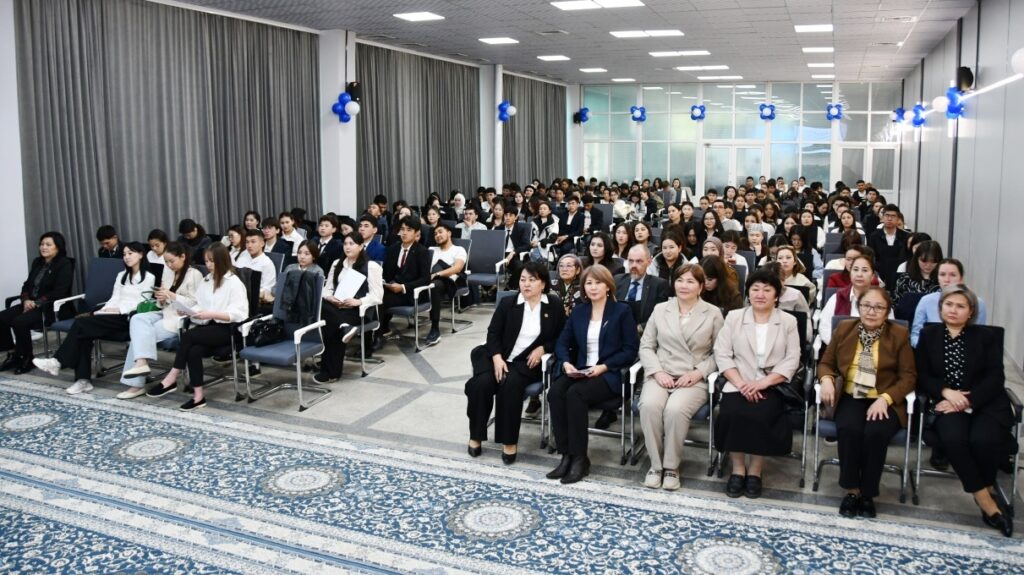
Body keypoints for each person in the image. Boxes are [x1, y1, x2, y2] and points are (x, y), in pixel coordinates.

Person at [916, 285, 1013, 537]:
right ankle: (985, 499)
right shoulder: (929, 334)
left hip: (984, 402)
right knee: (954, 439)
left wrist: (967, 401)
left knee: (983, 440)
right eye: (948, 304)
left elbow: (995, 378)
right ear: (941, 308)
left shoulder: (985, 337)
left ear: (971, 312)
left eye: (960, 306)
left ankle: (988, 487)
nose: (953, 310)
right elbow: (922, 375)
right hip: (947, 402)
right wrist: (947, 392)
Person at [817, 287, 916, 518]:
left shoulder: (899, 334)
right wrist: (827, 379)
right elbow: (826, 363)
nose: (871, 311)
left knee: (875, 433)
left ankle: (868, 493)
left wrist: (886, 399)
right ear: (858, 307)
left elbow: (909, 376)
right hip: (852, 395)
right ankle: (852, 491)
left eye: (878, 307)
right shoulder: (844, 329)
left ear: (887, 312)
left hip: (884, 398)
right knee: (849, 429)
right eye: (866, 306)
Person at [546, 265, 639, 484]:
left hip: (609, 374)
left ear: (608, 286)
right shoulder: (579, 311)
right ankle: (566, 455)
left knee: (575, 394)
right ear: (583, 288)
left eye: (598, 282)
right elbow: (562, 342)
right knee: (555, 393)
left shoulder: (622, 311)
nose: (593, 287)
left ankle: (580, 458)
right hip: (581, 369)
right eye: (589, 283)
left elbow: (630, 350)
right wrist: (566, 362)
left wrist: (604, 366)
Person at [465, 262, 566, 464]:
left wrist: (544, 348)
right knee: (480, 385)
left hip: (525, 362)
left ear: (543, 283)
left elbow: (562, 336)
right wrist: (496, 357)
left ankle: (508, 440)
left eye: (532, 280)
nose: (526, 284)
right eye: (522, 279)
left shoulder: (553, 304)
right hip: (497, 356)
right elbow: (493, 333)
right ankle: (476, 435)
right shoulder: (508, 303)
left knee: (510, 386)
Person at [713, 269, 801, 498]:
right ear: (748, 292)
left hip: (772, 383)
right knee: (732, 413)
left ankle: (755, 471)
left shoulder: (788, 321)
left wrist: (762, 383)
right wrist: (742, 384)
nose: (760, 294)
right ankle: (738, 469)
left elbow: (792, 359)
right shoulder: (734, 317)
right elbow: (722, 353)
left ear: (776, 295)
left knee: (762, 414)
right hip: (738, 380)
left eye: (767, 290)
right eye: (755, 289)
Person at [638, 263, 723, 490]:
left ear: (701, 287)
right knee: (649, 406)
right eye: (679, 280)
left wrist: (699, 372)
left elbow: (720, 352)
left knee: (674, 410)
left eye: (690, 281)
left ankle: (671, 467)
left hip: (692, 377)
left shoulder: (713, 313)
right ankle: (656, 465)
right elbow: (646, 346)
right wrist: (657, 372)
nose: (684, 285)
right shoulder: (660, 309)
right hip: (662, 372)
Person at [33, 242, 156, 394]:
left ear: (141, 255)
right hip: (111, 315)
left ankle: (59, 363)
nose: (126, 257)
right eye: (124, 254)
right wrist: (105, 310)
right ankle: (82, 380)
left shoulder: (149, 277)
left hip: (128, 318)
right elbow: (114, 297)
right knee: (83, 332)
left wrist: (118, 310)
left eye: (130, 253)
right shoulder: (121, 275)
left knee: (81, 324)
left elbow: (142, 302)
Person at [145, 244, 249, 411]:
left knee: (188, 336)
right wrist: (188, 311)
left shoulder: (234, 282)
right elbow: (199, 305)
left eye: (212, 261)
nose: (208, 265)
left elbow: (239, 314)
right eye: (206, 261)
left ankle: (171, 377)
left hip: (229, 330)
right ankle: (198, 397)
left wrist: (210, 314)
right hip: (209, 327)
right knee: (194, 351)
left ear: (222, 260)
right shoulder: (207, 281)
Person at [118, 242, 205, 398]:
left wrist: (170, 295)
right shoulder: (168, 272)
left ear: (183, 257)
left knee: (139, 337)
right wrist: (161, 298)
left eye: (172, 261)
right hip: (165, 312)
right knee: (137, 319)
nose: (169, 265)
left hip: (180, 318)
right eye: (166, 262)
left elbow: (196, 303)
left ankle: (136, 384)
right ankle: (141, 364)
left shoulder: (195, 275)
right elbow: (161, 303)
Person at [0, 232, 73, 374]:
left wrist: (37, 302)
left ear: (58, 247)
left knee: (19, 322)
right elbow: (26, 285)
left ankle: (27, 358)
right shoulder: (37, 262)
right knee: (2, 317)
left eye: (48, 244)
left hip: (50, 308)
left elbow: (60, 291)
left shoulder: (64, 264)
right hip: (30, 303)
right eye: (42, 244)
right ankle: (13, 354)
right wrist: (26, 300)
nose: (43, 247)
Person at [316, 233, 383, 383]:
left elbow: (378, 296)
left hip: (358, 310)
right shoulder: (337, 264)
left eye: (351, 244)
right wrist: (330, 298)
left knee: (331, 324)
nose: (347, 247)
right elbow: (327, 289)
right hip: (337, 306)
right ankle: (344, 327)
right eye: (345, 244)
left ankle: (330, 371)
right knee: (324, 309)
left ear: (361, 246)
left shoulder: (371, 266)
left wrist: (358, 301)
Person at [377, 216, 432, 349]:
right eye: (402, 229)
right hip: (392, 289)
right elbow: (386, 273)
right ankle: (376, 330)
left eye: (409, 230)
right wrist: (386, 283)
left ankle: (377, 336)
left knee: (381, 300)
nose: (404, 233)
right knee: (374, 296)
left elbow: (425, 279)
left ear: (416, 233)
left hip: (411, 293)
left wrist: (403, 287)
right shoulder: (393, 249)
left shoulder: (422, 251)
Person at [820, 253, 894, 346]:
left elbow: (889, 331)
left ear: (872, 276)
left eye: (865, 270)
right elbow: (824, 327)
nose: (859, 274)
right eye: (855, 270)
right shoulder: (837, 298)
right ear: (850, 274)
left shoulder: (882, 300)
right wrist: (839, 346)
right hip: (841, 349)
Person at [911, 259, 988, 347]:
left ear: (961, 279)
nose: (947, 280)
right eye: (942, 274)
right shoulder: (926, 301)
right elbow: (915, 335)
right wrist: (926, 348)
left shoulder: (977, 303)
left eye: (952, 275)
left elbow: (980, 335)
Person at [425, 223, 468, 345]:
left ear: (449, 233)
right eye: (435, 234)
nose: (437, 235)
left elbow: (457, 268)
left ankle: (435, 328)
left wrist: (437, 274)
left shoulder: (459, 250)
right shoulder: (431, 250)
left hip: (449, 281)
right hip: (430, 279)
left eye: (440, 232)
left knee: (435, 285)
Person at [867, 204, 910, 292]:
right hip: (879, 276)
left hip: (900, 276)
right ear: (882, 217)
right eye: (887, 215)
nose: (889, 219)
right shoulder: (874, 236)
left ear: (898, 219)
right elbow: (871, 258)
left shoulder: (906, 237)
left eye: (893, 216)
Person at [234, 229, 277, 305]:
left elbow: (267, 289)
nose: (249, 245)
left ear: (262, 243)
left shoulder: (267, 263)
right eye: (247, 242)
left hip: (254, 300)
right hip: (237, 296)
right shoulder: (242, 258)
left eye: (253, 242)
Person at [893, 240, 942, 305]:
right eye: (924, 261)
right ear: (916, 259)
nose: (928, 265)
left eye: (933, 261)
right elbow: (896, 303)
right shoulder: (905, 279)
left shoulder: (943, 281)